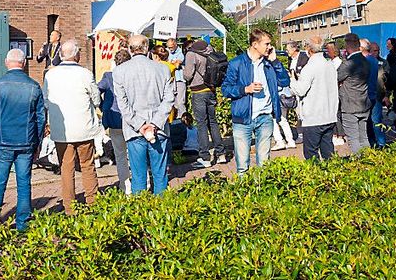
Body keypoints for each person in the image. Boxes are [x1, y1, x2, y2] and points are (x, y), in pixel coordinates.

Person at [0, 49, 47, 231]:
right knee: (24, 183)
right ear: (24, 63)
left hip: (3, 140)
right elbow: (41, 117)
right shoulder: (34, 86)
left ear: (6, 62)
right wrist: (37, 142)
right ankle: (23, 223)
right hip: (26, 141)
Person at [41, 38, 102, 214]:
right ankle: (93, 203)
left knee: (66, 169)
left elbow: (46, 101)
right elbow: (96, 99)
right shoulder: (85, 73)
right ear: (76, 55)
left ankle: (70, 207)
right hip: (84, 127)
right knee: (88, 166)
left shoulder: (50, 74)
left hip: (62, 130)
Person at [112, 34, 175, 194]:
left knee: (138, 177)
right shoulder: (163, 69)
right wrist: (154, 123)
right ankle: (163, 213)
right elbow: (169, 99)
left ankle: (140, 213)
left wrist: (140, 125)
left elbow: (123, 105)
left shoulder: (119, 72)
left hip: (134, 130)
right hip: (158, 128)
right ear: (147, 48)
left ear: (129, 49)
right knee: (160, 175)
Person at [221, 29, 289, 176]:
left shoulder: (269, 63)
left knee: (264, 164)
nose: (270, 47)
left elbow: (285, 81)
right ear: (255, 44)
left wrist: (275, 61)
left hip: (265, 117)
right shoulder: (237, 63)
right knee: (242, 166)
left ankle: (261, 193)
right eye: (267, 44)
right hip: (243, 118)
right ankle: (244, 195)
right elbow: (225, 89)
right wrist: (245, 89)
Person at [288, 36, 339, 160]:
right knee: (328, 152)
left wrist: (292, 80)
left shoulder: (309, 67)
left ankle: (316, 177)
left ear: (308, 48)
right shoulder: (329, 65)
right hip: (329, 115)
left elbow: (300, 90)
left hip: (314, 117)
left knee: (311, 154)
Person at [183, 38, 227, 168]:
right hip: (211, 90)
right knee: (213, 122)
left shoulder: (191, 54)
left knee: (201, 124)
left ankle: (205, 157)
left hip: (198, 92)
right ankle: (221, 154)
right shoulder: (211, 50)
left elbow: (187, 75)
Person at [97, 48, 132, 193]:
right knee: (137, 155)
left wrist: (103, 106)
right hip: (133, 120)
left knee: (121, 155)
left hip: (115, 119)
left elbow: (96, 91)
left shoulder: (109, 76)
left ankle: (126, 186)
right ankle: (144, 184)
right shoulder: (134, 75)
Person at [336, 32, 371, 154]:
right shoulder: (366, 61)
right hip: (364, 103)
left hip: (350, 105)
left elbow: (336, 77)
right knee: (364, 137)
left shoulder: (348, 63)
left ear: (347, 45)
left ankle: (359, 164)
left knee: (353, 139)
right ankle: (369, 160)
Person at [362, 39, 386, 148]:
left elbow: (384, 80)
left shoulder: (382, 62)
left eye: (378, 50)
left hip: (377, 95)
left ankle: (381, 143)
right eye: (374, 50)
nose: (377, 53)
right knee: (369, 122)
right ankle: (373, 143)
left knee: (376, 121)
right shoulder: (369, 61)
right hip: (369, 95)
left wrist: (386, 95)